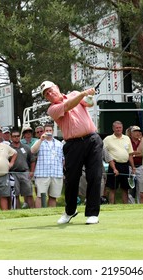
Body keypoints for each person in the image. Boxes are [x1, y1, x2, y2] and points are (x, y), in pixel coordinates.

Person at [40, 80, 103, 224]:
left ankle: (92, 213)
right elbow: (68, 105)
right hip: (73, 144)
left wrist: (90, 95)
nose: (50, 94)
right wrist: (83, 93)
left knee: (95, 176)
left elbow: (88, 103)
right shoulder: (52, 109)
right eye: (47, 94)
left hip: (92, 140)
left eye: (51, 90)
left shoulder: (74, 94)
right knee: (72, 179)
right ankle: (70, 211)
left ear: (57, 87)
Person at [31, 124, 64, 208]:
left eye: (50, 130)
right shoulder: (39, 142)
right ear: (44, 132)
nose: (48, 132)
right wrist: (41, 139)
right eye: (47, 130)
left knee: (53, 196)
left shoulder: (59, 144)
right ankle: (38, 215)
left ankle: (50, 214)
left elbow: (63, 159)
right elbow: (33, 150)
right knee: (40, 196)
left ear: (53, 131)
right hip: (42, 173)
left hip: (56, 173)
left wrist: (61, 169)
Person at [103, 120, 135, 204]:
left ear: (122, 128)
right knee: (112, 188)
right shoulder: (107, 139)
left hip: (125, 165)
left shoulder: (127, 138)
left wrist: (133, 167)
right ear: (113, 128)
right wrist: (112, 166)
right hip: (114, 165)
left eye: (120, 128)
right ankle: (112, 206)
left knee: (125, 188)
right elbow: (103, 152)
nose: (118, 129)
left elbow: (130, 154)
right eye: (116, 128)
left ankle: (125, 207)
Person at [0, 130, 17, 210]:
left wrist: (11, 163)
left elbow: (14, 153)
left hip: (4, 176)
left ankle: (4, 214)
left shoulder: (4, 146)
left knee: (4, 196)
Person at [10, 129, 36, 208]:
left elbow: (32, 160)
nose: (16, 138)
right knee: (16, 194)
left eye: (18, 136)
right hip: (13, 173)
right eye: (14, 136)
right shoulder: (8, 148)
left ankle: (33, 211)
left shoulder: (26, 147)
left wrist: (31, 171)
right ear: (11, 138)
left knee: (29, 193)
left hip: (25, 172)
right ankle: (17, 211)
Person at [128, 125, 143, 203]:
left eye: (138, 131)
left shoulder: (142, 141)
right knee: (131, 187)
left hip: (141, 167)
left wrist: (132, 154)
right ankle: (131, 204)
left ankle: (139, 204)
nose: (137, 133)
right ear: (131, 133)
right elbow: (127, 154)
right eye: (135, 132)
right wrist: (135, 153)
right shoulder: (128, 141)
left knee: (140, 187)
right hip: (130, 167)